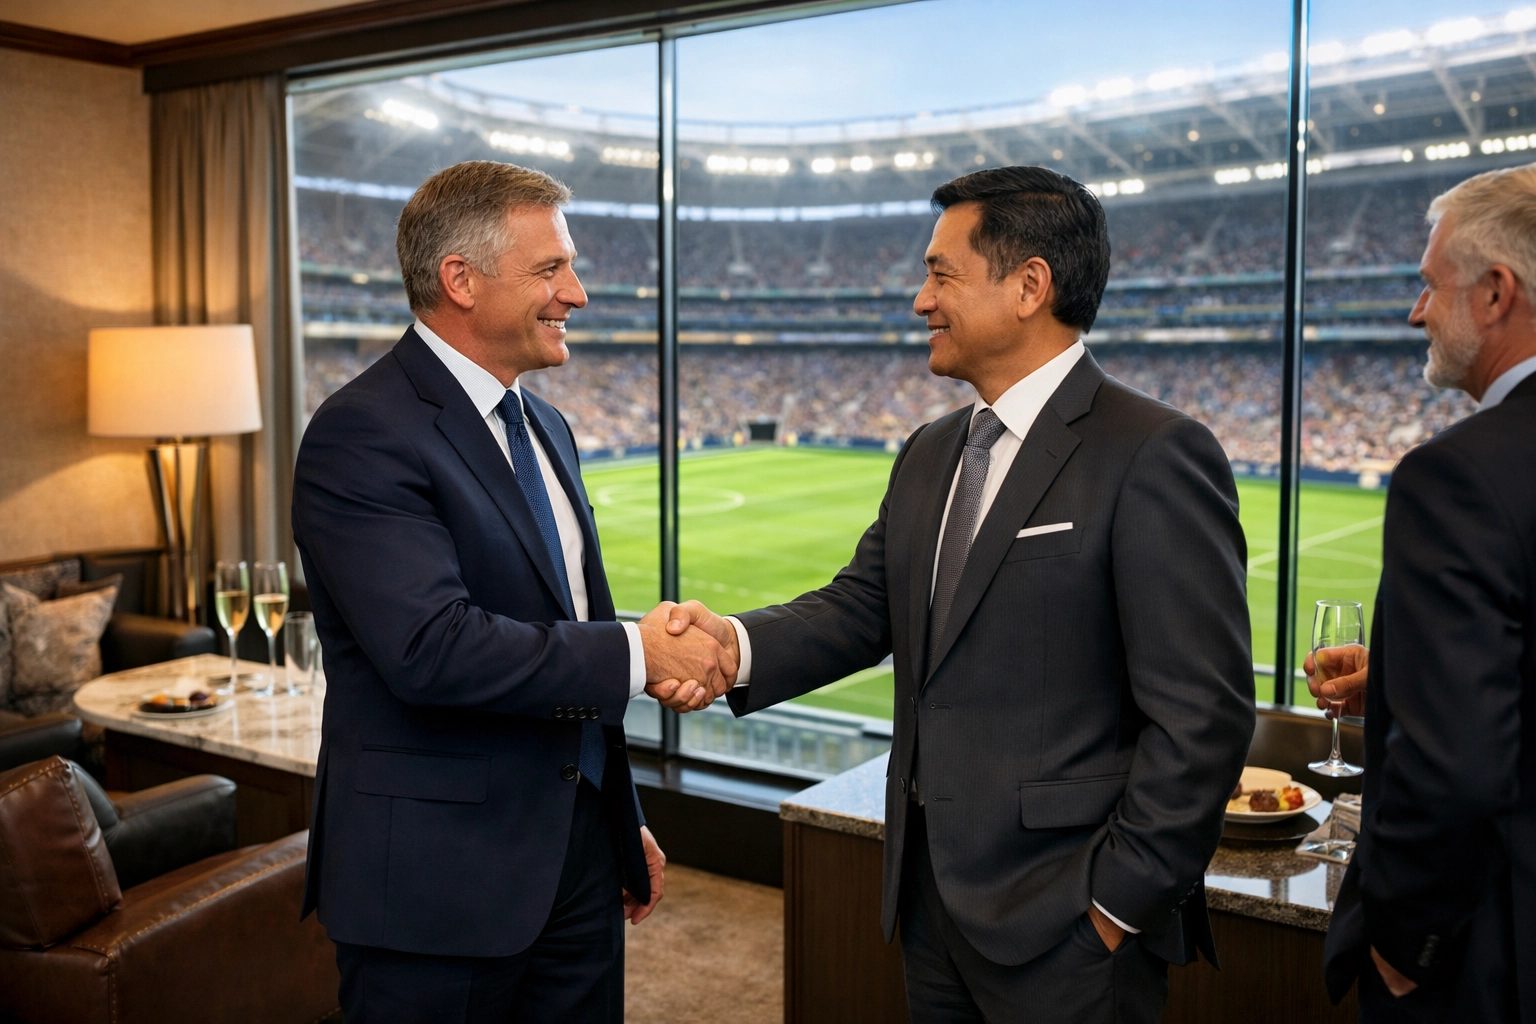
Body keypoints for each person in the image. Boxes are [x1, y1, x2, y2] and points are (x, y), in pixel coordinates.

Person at [664, 166, 1256, 1023]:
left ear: (1029, 286)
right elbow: (863, 607)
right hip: (931, 906)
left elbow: (1202, 716)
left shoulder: (1155, 451)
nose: (919, 300)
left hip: (1070, 924)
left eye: (941, 274)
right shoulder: (932, 450)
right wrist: (729, 644)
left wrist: (1113, 909)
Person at [291, 160, 734, 1023]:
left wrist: (616, 817)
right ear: (460, 279)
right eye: (550, 269)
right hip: (436, 886)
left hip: (572, 861)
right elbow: (432, 650)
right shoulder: (361, 432)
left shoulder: (548, 424)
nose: (577, 291)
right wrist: (642, 651)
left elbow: (566, 628)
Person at [1315, 165, 1536, 1020]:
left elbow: (1459, 772)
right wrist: (1405, 679)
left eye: (1429, 287)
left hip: (1489, 962)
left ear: (1494, 293)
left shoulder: (1460, 478)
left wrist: (1405, 946)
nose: (1417, 313)